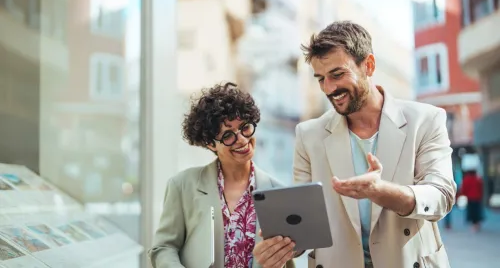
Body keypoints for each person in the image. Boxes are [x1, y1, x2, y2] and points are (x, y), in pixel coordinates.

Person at [253, 21, 456, 268]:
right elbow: (307, 223)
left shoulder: (425, 119)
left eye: (337, 75)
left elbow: (441, 195)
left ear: (368, 65)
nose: (329, 88)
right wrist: (283, 246)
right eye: (320, 79)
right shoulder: (308, 135)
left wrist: (382, 192)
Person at [148, 82, 295, 268]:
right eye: (228, 135)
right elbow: (163, 247)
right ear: (210, 144)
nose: (242, 139)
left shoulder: (279, 192)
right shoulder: (182, 186)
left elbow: (290, 253)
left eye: (245, 127)